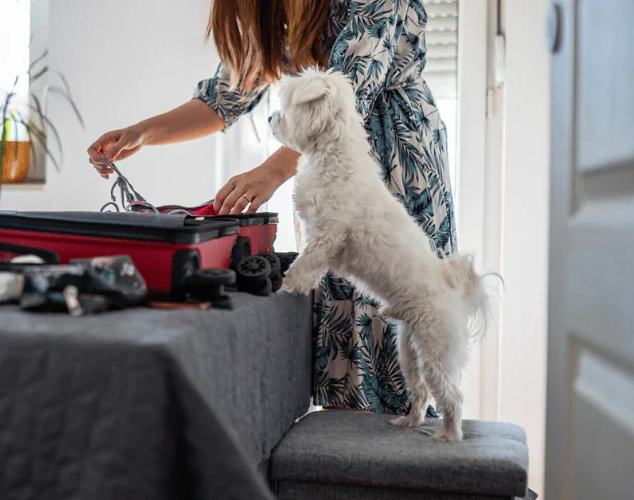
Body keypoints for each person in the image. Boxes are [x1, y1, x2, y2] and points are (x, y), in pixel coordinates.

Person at [86, 0, 454, 414]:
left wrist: (269, 173)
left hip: (396, 172)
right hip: (329, 174)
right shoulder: (275, 8)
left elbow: (346, 97)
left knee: (402, 326)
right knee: (345, 355)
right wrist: (141, 134)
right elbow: (224, 98)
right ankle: (345, 466)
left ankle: (411, 462)